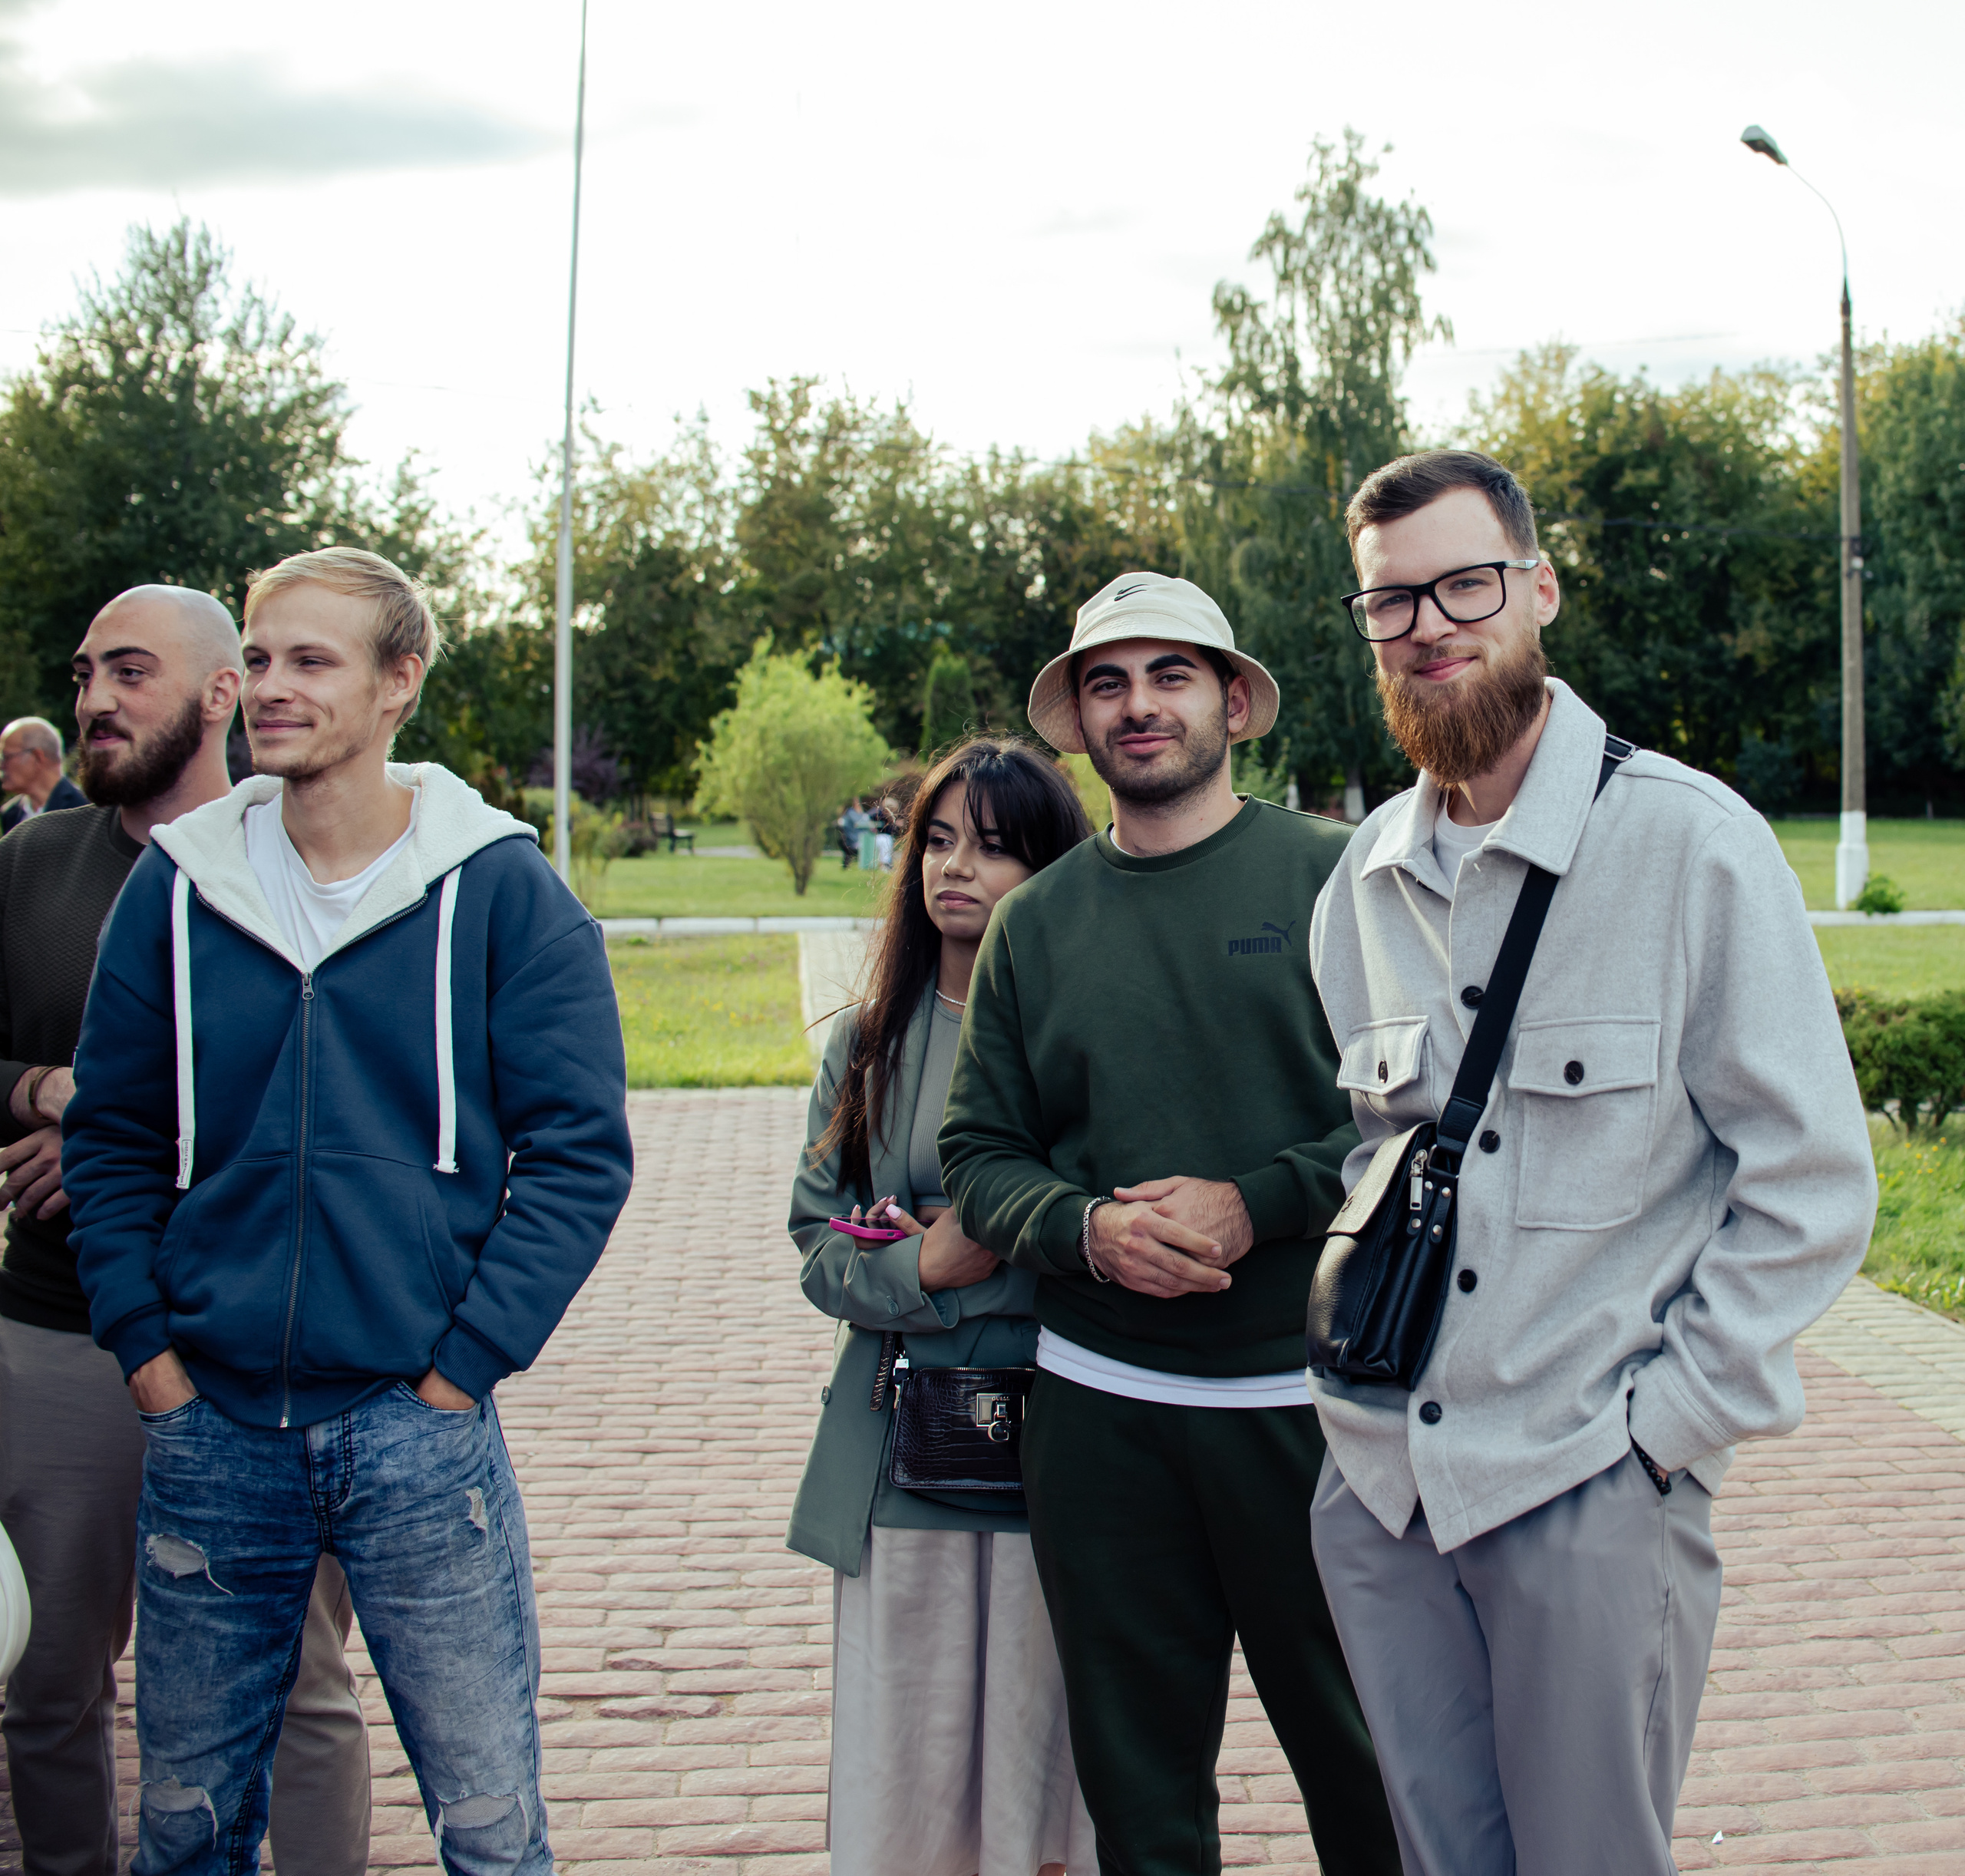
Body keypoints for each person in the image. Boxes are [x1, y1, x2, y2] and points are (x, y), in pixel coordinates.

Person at [1306, 451, 1877, 1875]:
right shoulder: (1361, 879)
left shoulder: (1692, 846)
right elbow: (1376, 1158)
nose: (1430, 625)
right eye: (1392, 601)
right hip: (1387, 1491)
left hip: (1586, 1479)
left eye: (1466, 584)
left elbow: (1812, 1180)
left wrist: (1662, 1435)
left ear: (1540, 589)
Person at [63, 547, 634, 1874]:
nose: (272, 685)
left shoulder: (499, 887)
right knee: (185, 1828)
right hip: (212, 1427)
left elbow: (577, 1153)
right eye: (260, 657)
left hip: (417, 1430)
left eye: (312, 660)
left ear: (398, 684)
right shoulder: (180, 884)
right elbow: (112, 1136)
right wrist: (150, 1359)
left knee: (491, 1826)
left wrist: (460, 1369)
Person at [939, 574, 1400, 1876]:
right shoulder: (1034, 923)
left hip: (1311, 1402)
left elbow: (1419, 1123)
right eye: (1108, 683)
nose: (1138, 704)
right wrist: (1085, 1228)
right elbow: (980, 1152)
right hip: (1100, 1414)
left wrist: (1254, 1203)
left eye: (1170, 675)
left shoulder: (1340, 879)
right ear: (1081, 723)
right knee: (1140, 1801)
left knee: (1370, 1766)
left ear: (1233, 703)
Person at [0, 586, 371, 1876]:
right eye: (85, 674)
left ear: (221, 694)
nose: (96, 700)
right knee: (50, 1676)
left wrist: (117, 1139)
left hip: (263, 1339)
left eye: (131, 672)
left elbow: (348, 1095)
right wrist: (45, 1091)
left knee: (299, 1685)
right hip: (58, 1330)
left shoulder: (307, 857)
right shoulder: (28, 866)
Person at [788, 735, 1096, 1876]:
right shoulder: (868, 1042)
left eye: (996, 847)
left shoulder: (1089, 1037)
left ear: (1051, 870)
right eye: (939, 839)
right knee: (905, 1780)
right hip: (902, 1445)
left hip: (1062, 1444)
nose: (955, 868)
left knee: (1045, 1774)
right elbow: (817, 1243)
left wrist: (997, 1240)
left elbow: (1113, 1234)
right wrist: (923, 1268)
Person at [1, 716, 88, 831]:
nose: (2, 766)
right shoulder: (10, 814)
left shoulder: (84, 808)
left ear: (37, 757)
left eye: (7, 757)